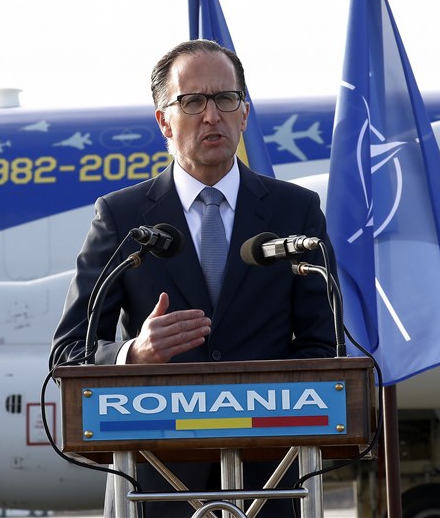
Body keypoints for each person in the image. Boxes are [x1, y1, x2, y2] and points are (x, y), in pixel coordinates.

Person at [49, 39, 338, 517]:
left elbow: (321, 346)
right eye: (193, 101)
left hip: (272, 480)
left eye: (226, 99)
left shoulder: (295, 211)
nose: (212, 116)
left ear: (244, 114)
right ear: (164, 119)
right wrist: (132, 355)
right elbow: (69, 352)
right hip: (156, 480)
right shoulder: (122, 218)